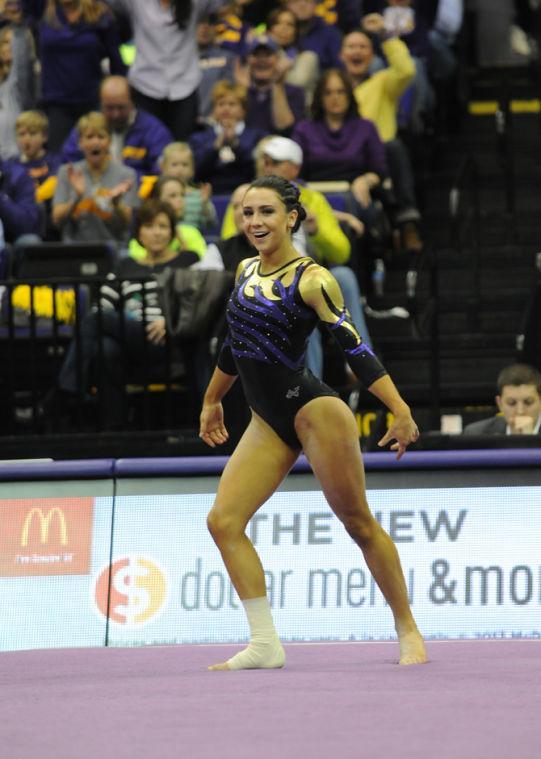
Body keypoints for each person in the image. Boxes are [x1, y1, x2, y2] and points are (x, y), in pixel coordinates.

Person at [199, 175, 427, 670]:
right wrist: (212, 399)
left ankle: (407, 627)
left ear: (291, 218)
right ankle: (265, 644)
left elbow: (356, 348)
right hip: (266, 419)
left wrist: (400, 407)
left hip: (314, 412)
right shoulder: (242, 269)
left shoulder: (313, 279)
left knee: (358, 523)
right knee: (223, 522)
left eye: (265, 213)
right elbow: (234, 343)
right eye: (247, 212)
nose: (254, 222)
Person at [44, 199, 197, 428]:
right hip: (130, 336)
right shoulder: (125, 265)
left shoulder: (187, 260)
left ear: (173, 232)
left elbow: (195, 301)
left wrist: (169, 320)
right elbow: (103, 303)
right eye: (149, 226)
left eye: (163, 226)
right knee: (105, 348)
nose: (156, 233)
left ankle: (64, 392)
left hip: (166, 338)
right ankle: (113, 429)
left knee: (96, 320)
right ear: (139, 233)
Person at [340, 16, 423, 250]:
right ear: (341, 55)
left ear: (372, 55)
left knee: (394, 147)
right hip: (344, 157)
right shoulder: (332, 88)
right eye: (351, 46)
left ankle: (407, 223)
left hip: (378, 156)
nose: (357, 51)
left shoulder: (382, 81)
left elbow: (406, 70)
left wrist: (386, 36)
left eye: (363, 47)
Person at [105, 0, 230, 140]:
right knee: (146, 146)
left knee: (182, 150)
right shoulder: (138, 3)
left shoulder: (195, 3)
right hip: (145, 86)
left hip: (184, 88)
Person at [292, 67, 388, 236]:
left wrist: (366, 180)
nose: (335, 98)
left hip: (356, 193)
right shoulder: (304, 129)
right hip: (314, 195)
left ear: (349, 96)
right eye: (328, 93)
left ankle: (350, 260)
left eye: (340, 92)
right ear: (320, 98)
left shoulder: (366, 127)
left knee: (352, 203)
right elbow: (293, 170)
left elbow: (380, 169)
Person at [23, 0, 126, 151]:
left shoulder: (99, 14)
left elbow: (117, 62)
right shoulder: (42, 10)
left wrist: (119, 95)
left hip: (93, 102)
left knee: (99, 159)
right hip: (56, 105)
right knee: (58, 163)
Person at [61, 76, 173, 181]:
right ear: (101, 104)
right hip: (90, 192)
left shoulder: (153, 130)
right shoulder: (88, 127)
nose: (116, 114)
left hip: (138, 194)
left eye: (121, 107)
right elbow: (68, 162)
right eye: (109, 108)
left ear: (132, 102)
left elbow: (164, 170)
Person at [52, 111, 138, 243]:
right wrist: (76, 197)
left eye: (101, 136)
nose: (95, 142)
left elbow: (127, 225)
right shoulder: (67, 172)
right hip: (75, 248)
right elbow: (57, 221)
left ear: (109, 142)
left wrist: (117, 204)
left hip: (113, 248)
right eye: (89, 137)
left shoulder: (126, 175)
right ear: (80, 142)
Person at [189, 80, 263, 194]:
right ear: (214, 109)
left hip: (248, 193)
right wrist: (215, 147)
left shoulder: (256, 136)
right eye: (221, 104)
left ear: (243, 110)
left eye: (232, 104)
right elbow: (195, 172)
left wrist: (236, 145)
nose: (226, 109)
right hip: (209, 194)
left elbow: (256, 170)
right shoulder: (199, 138)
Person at [238, 35, 306, 137]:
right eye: (257, 55)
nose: (262, 60)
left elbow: (285, 127)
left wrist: (277, 84)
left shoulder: (294, 92)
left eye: (267, 55)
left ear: (278, 59)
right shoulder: (240, 93)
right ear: (248, 60)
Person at [463, 363, 541, 436]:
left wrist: (528, 440)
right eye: (511, 403)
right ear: (500, 404)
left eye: (528, 402)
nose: (520, 411)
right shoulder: (476, 433)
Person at [266, 6, 319, 105]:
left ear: (296, 31)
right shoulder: (258, 56)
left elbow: (298, 82)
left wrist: (274, 50)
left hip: (302, 114)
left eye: (289, 24)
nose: (283, 28)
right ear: (270, 29)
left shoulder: (308, 57)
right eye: (277, 23)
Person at [197, 12, 236, 124]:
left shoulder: (228, 58)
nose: (205, 27)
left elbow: (232, 92)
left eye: (210, 23)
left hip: (216, 123)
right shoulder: (177, 58)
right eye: (199, 22)